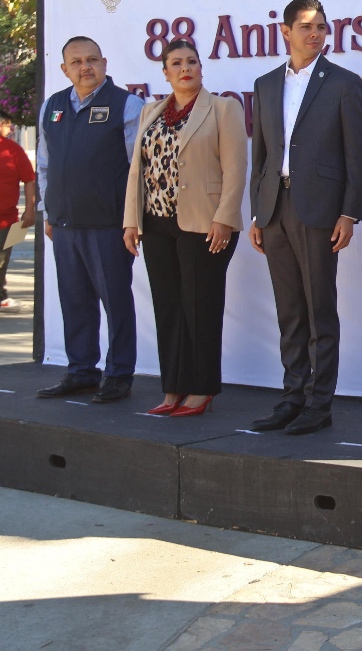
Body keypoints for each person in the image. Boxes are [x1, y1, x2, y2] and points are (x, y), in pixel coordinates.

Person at [248, 0, 362, 435]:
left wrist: (349, 214)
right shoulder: (264, 86)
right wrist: (257, 213)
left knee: (320, 312)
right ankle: (292, 397)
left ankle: (320, 404)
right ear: (285, 31)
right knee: (290, 312)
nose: (315, 33)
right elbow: (260, 157)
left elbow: (358, 156)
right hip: (274, 210)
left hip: (319, 211)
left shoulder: (343, 83)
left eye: (321, 26)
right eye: (306, 26)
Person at [123, 39, 247, 417]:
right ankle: (173, 388)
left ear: (201, 68)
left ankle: (202, 389)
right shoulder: (150, 111)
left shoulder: (224, 108)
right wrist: (131, 220)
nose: (185, 68)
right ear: (165, 72)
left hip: (205, 224)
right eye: (176, 63)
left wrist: (224, 218)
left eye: (191, 61)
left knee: (201, 307)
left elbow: (236, 168)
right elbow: (136, 172)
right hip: (157, 223)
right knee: (168, 307)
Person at [35, 36, 144, 403]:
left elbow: (138, 171)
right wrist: (48, 213)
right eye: (77, 62)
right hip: (65, 224)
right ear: (64, 69)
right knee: (75, 301)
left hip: (109, 225)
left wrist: (133, 220)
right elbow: (45, 165)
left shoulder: (128, 106)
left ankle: (118, 375)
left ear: (105, 63)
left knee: (115, 302)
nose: (86, 67)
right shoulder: (52, 107)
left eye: (92, 59)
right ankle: (81, 371)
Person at [0, 114, 36, 311]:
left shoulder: (13, 150)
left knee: (2, 261)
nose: (10, 129)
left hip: (8, 221)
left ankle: (1, 296)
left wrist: (29, 211)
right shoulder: (14, 149)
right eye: (8, 126)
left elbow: (29, 179)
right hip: (9, 219)